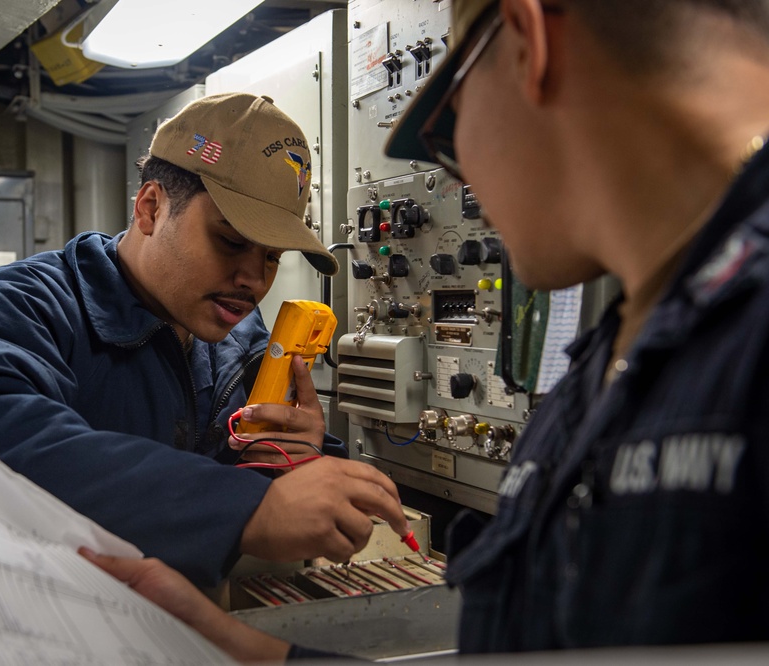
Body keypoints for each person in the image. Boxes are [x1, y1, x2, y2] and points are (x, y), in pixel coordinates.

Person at [81, 0, 769, 658]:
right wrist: (257, 654)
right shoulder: (603, 372)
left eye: (445, 128)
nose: (456, 172)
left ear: (530, 46)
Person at [0, 92, 411, 588]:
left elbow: (280, 493)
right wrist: (244, 507)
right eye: (232, 242)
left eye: (273, 257)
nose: (255, 280)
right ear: (150, 208)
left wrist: (301, 464)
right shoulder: (21, 307)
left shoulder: (244, 339)